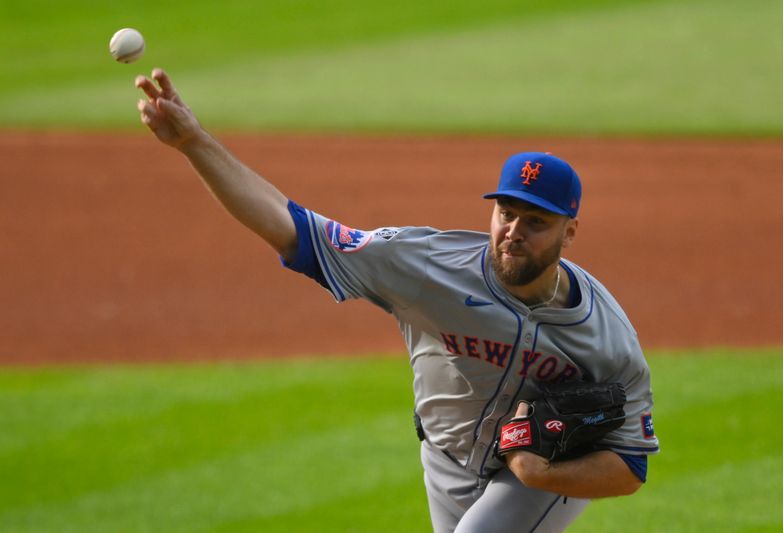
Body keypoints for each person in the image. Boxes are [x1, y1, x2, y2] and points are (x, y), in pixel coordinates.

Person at [135, 68, 659, 532]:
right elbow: (290, 227)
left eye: (536, 222)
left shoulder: (608, 338)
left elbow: (631, 467)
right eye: (505, 213)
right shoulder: (425, 266)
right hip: (445, 461)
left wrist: (544, 472)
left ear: (570, 232)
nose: (513, 231)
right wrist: (194, 144)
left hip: (540, 476)